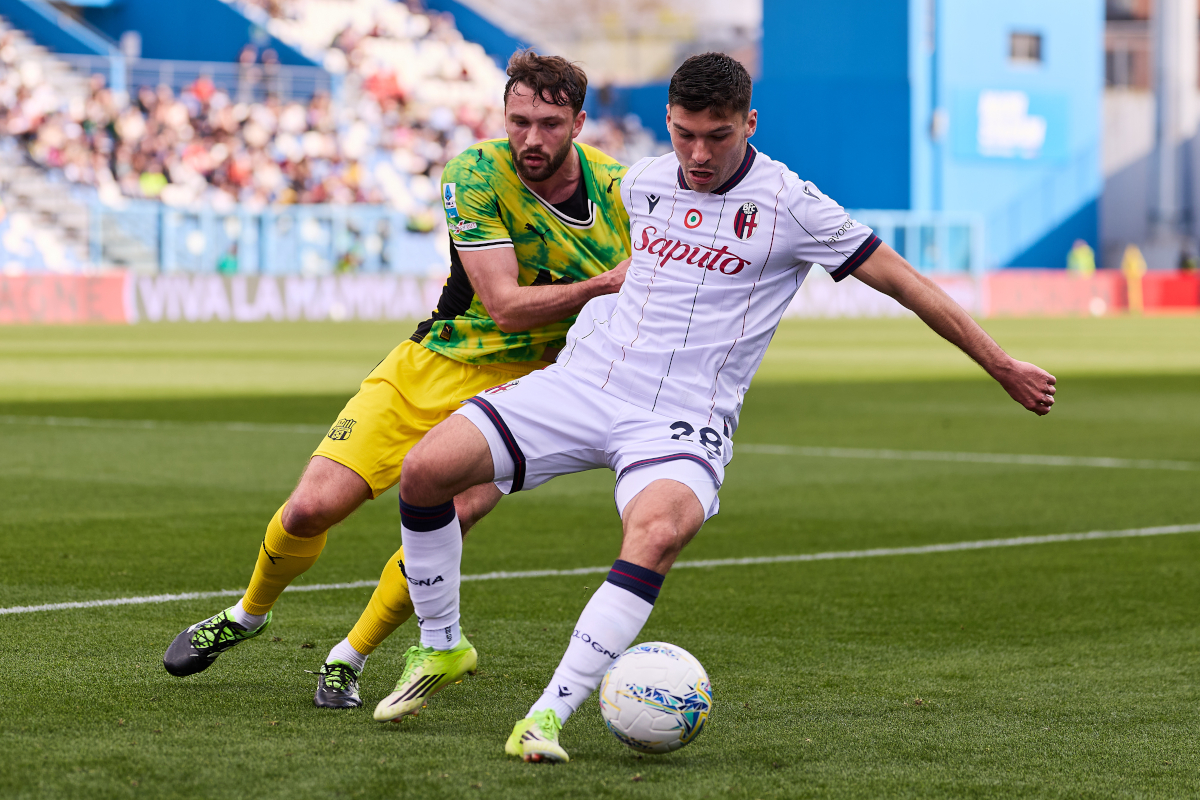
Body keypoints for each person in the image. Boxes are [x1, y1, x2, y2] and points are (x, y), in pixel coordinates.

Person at [385, 52, 1058, 763]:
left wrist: (1001, 363)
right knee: (425, 471)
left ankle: (545, 718)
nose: (699, 154)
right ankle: (441, 646)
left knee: (658, 530)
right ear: (667, 124)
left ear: (750, 123)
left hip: (681, 415)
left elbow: (904, 282)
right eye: (684, 134)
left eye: (718, 135)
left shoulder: (791, 204)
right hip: (584, 383)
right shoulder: (642, 182)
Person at [161, 51, 633, 716]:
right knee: (309, 509)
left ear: (580, 122)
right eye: (519, 120)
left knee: (450, 518)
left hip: (526, 394)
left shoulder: (623, 193)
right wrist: (606, 286)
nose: (531, 138)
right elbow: (501, 304)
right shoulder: (475, 172)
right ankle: (247, 614)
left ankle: (347, 658)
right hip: (433, 364)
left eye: (550, 124)